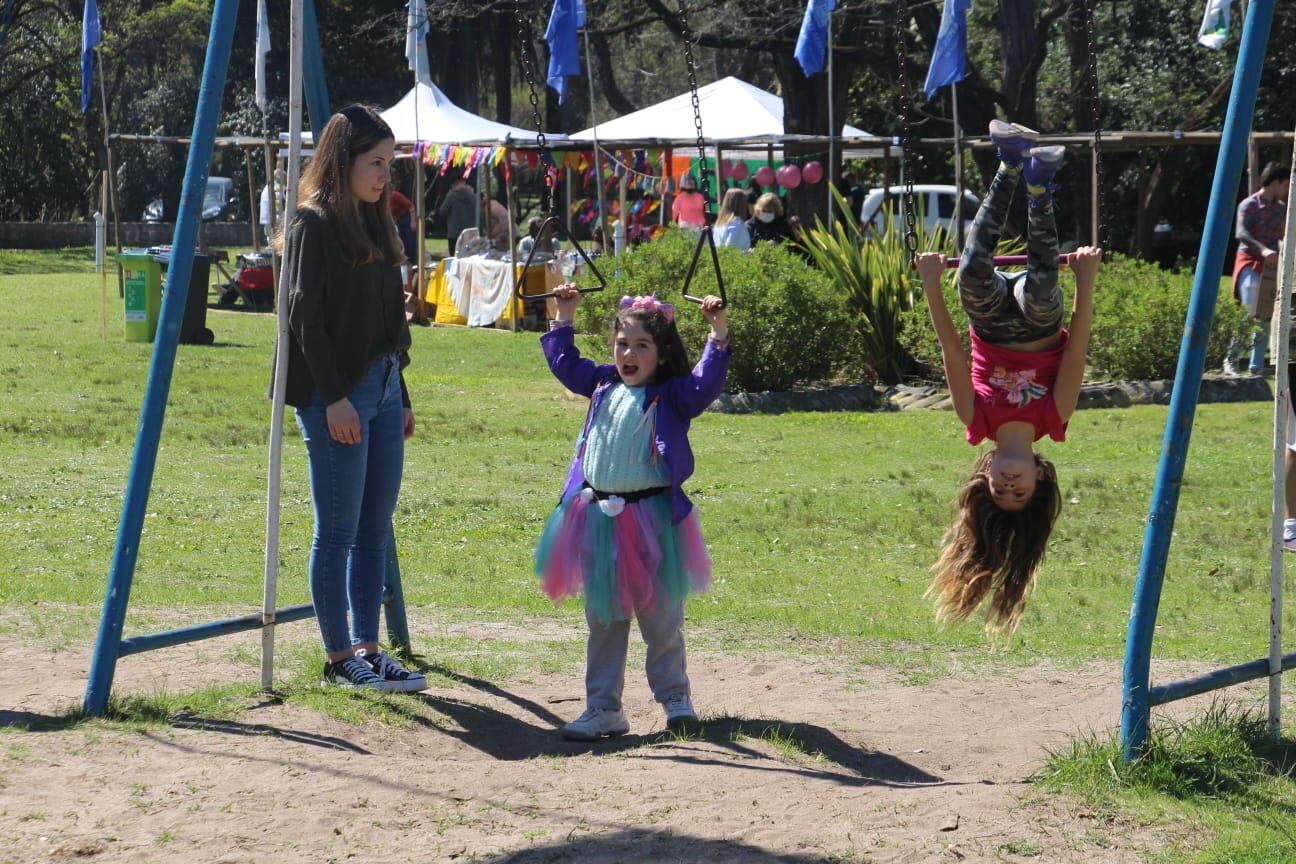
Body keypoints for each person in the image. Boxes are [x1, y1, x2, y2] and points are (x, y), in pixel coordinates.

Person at [914, 119, 1102, 636]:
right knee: (1043, 291)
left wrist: (933, 284)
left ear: (986, 475)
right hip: (1041, 327)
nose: (1009, 486)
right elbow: (1077, 350)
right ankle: (1039, 184)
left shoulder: (976, 419)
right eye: (1019, 493)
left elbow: (953, 351)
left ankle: (1010, 161)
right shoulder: (1052, 418)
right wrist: (1085, 283)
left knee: (971, 274)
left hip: (991, 324)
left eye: (999, 491)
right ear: (1039, 478)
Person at [536, 288, 731, 740]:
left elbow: (705, 382)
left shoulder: (673, 395)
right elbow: (567, 364)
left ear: (661, 356)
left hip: (653, 523)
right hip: (599, 523)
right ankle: (603, 708)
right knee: (604, 618)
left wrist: (717, 333)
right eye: (623, 343)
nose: (629, 353)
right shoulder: (602, 383)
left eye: (642, 345)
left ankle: (675, 699)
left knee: (661, 616)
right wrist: (563, 317)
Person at [277, 104, 426, 692]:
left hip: (386, 388)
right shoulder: (311, 223)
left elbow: (391, 318)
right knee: (337, 531)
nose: (385, 175)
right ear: (343, 162)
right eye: (376, 162)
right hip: (336, 395)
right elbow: (303, 318)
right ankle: (339, 658)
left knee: (376, 527)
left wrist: (403, 393)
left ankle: (370, 648)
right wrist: (335, 398)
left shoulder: (376, 218)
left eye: (390, 163)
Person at [1228, 162, 1290, 375]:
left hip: (1270, 268)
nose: (1286, 190)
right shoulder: (1249, 205)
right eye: (1285, 185)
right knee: (1248, 312)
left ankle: (1256, 367)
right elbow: (1241, 233)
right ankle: (1231, 359)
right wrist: (1263, 250)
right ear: (1275, 183)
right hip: (1249, 262)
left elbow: (1283, 235)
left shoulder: (1280, 209)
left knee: (1264, 313)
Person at [437, 175, 477, 257]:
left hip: (454, 233)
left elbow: (442, 211)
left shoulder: (451, 195)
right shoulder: (473, 195)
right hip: (471, 233)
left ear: (453, 185)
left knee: (454, 258)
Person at [389, 188, 418, 263]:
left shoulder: (395, 195)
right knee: (403, 243)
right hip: (398, 222)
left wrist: (413, 222)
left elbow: (411, 206)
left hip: (406, 219)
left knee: (409, 244)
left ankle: (411, 263)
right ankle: (406, 263)